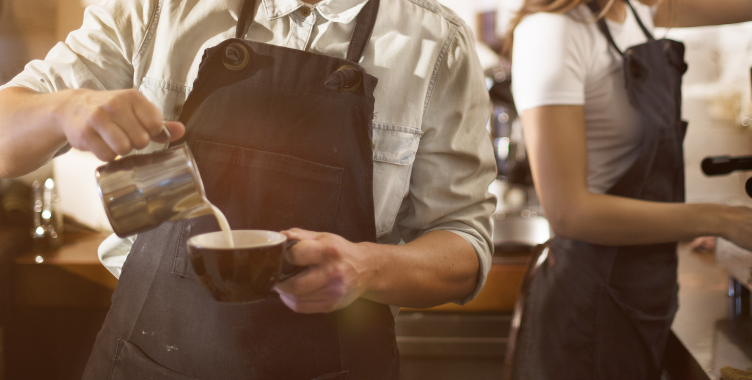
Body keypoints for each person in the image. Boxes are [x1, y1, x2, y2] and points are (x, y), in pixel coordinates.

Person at [0, 0, 497, 377]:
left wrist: (367, 268)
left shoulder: (437, 43)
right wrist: (66, 108)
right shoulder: (156, 9)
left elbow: (464, 241)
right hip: (146, 359)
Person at [506, 0, 752, 379]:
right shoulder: (552, 31)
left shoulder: (640, 11)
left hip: (647, 294)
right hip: (587, 305)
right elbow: (570, 212)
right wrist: (723, 218)